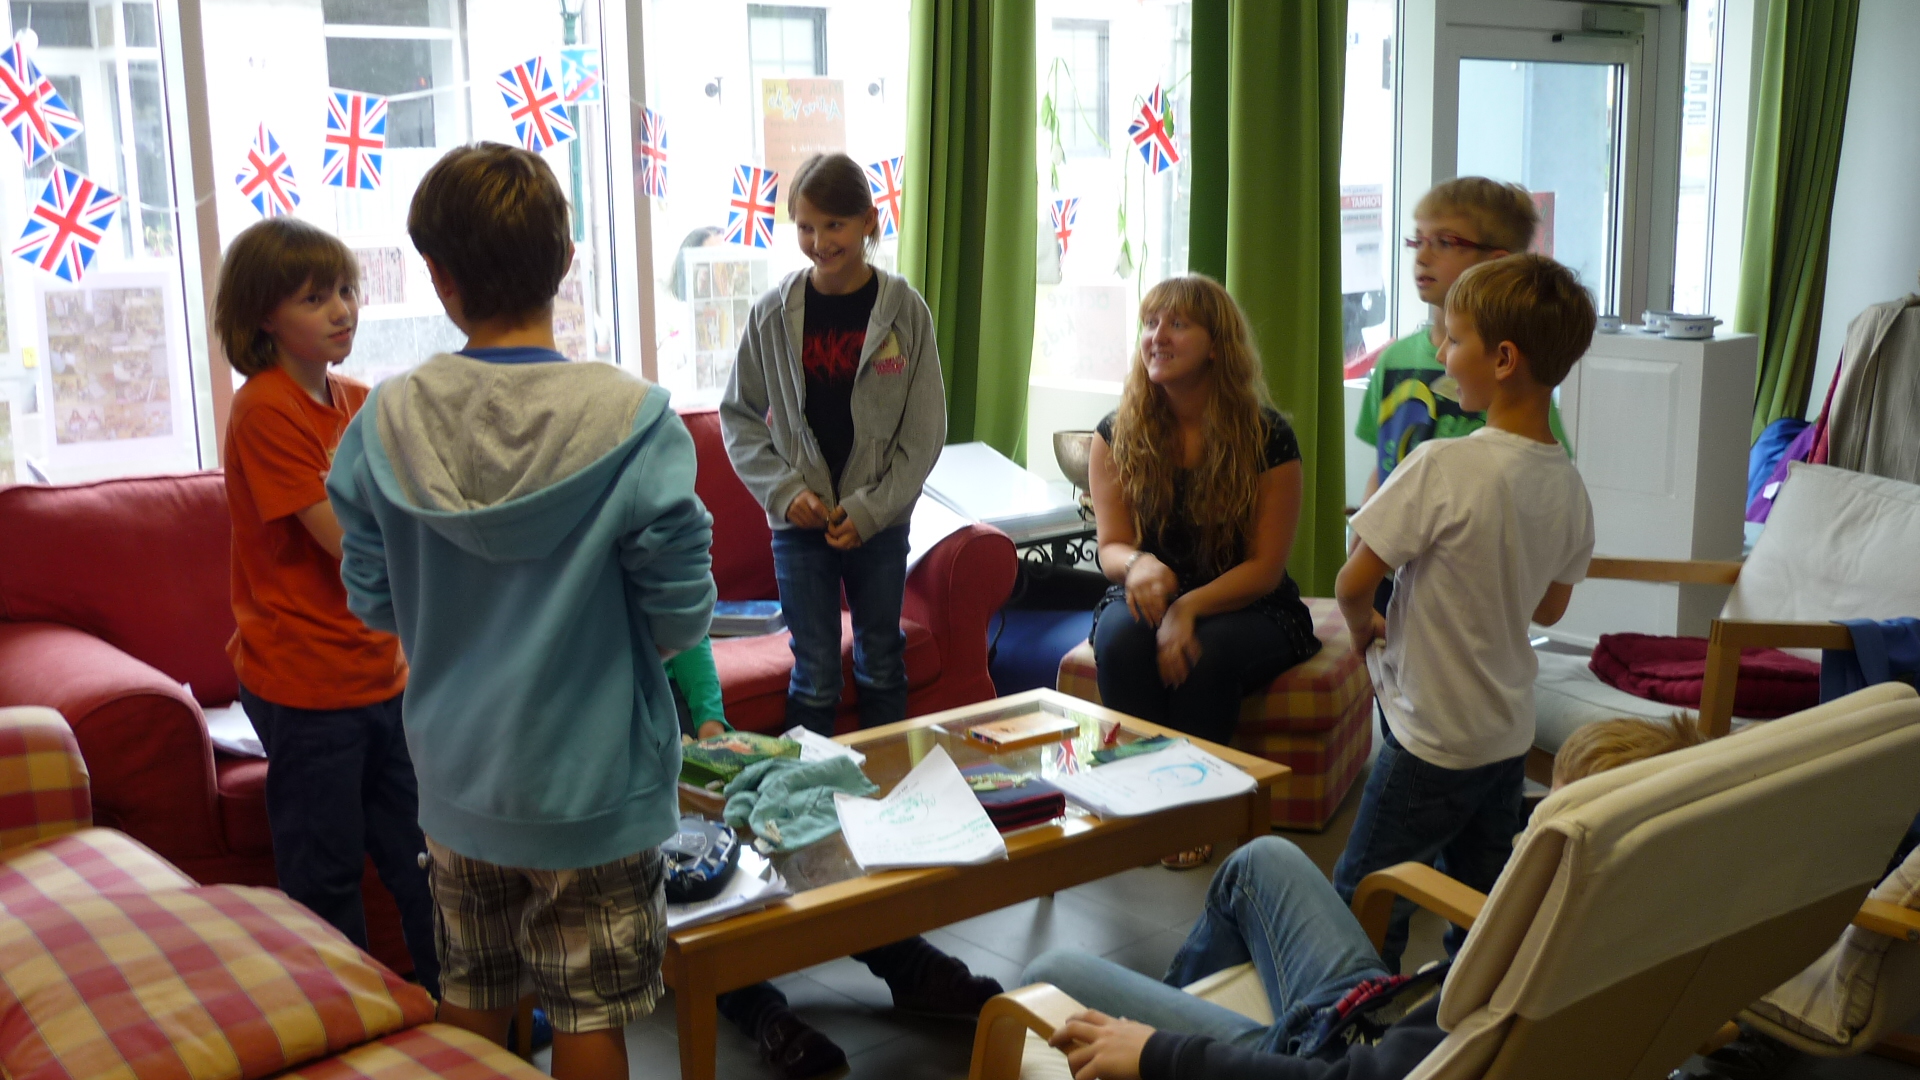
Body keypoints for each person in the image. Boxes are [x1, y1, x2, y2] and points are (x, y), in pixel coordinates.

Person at [327, 143, 715, 1080]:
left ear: (439, 276)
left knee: (471, 994)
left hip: (459, 780)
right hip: (595, 787)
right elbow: (681, 610)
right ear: (567, 261)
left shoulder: (383, 421)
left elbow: (371, 597)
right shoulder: (633, 421)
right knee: (591, 1017)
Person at [717, 151, 1000, 1076]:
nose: (817, 242)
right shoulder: (773, 312)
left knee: (880, 661)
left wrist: (872, 510)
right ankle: (815, 824)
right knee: (814, 672)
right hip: (798, 523)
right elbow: (740, 417)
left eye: (833, 226)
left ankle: (890, 813)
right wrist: (788, 494)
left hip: (877, 523)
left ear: (867, 223)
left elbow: (924, 430)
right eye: (803, 227)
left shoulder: (903, 309)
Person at [1023, 716, 1705, 1080]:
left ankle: (1155, 1035)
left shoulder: (1529, 977)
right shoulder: (1639, 947)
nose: (1530, 828)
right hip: (1373, 1008)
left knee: (1048, 976)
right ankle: (1172, 1012)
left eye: (1550, 815)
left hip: (1312, 1059)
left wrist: (1159, 1053)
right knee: (1260, 860)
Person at [1331, 253, 1597, 972]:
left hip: (1430, 738)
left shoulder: (1442, 466)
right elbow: (1551, 605)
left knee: (1365, 901)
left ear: (1503, 359)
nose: (1443, 353)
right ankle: (1466, 1019)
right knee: (1481, 909)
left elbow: (1353, 581)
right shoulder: (1570, 488)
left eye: (1452, 339)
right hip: (1505, 737)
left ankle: (1350, 1023)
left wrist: (1362, 627)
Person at [212, 217, 438, 998]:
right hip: (305, 683)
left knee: (425, 860)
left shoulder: (359, 402)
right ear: (264, 317)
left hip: (382, 671)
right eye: (315, 299)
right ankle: (348, 1024)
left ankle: (469, 1018)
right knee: (326, 878)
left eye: (346, 290)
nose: (342, 310)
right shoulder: (265, 409)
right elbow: (349, 542)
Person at [1086, 276, 1321, 868]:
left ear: (1217, 345)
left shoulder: (1268, 436)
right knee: (1119, 640)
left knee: (1206, 653)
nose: (1157, 336)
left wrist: (1187, 608)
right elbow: (1110, 546)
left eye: (1177, 324)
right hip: (1148, 590)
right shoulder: (1115, 433)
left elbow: (1266, 568)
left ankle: (1192, 812)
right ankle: (1140, 800)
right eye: (1150, 324)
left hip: (1248, 602)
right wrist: (1138, 564)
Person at [1351, 178, 1568, 612]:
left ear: (1496, 263)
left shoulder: (1510, 374)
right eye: (1418, 240)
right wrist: (1362, 538)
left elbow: (1539, 475)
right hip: (1388, 571)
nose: (1422, 256)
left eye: (1446, 242)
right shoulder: (1394, 359)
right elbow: (1384, 463)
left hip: (1468, 584)